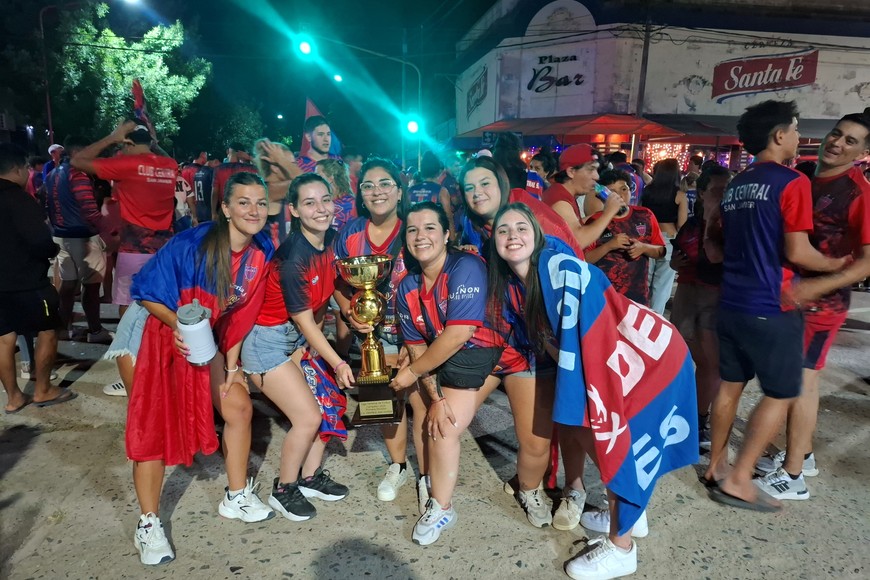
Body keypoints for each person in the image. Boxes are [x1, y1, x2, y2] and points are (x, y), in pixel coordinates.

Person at [490, 202, 697, 580]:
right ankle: (633, 513)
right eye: (503, 231)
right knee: (584, 431)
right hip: (624, 356)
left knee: (611, 436)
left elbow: (583, 283)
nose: (512, 235)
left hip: (648, 359)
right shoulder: (519, 284)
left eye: (522, 226)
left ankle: (621, 549)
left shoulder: (553, 266)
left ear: (537, 234)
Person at [124, 172, 276, 565]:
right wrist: (179, 326)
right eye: (243, 202)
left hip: (206, 336)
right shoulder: (193, 243)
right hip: (158, 327)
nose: (253, 210)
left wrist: (234, 365)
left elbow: (244, 312)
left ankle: (236, 496)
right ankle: (148, 523)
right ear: (225, 208)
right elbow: (145, 289)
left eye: (260, 203)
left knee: (238, 406)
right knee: (152, 426)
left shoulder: (262, 250)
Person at [704, 100, 847, 512]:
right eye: (796, 129)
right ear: (780, 135)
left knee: (730, 386)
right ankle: (740, 478)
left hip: (731, 302)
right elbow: (799, 252)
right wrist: (842, 263)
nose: (800, 138)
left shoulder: (736, 183)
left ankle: (716, 466)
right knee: (783, 391)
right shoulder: (791, 180)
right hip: (772, 303)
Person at [754, 110, 870, 500]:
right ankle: (800, 453)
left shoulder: (858, 192)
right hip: (789, 295)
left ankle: (793, 475)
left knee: (802, 382)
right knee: (790, 378)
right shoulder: (803, 176)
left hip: (823, 304)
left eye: (851, 141)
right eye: (836, 134)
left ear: (863, 152)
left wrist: (815, 287)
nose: (837, 143)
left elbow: (866, 262)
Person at [390, 202, 507, 545]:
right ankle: (442, 506)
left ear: (446, 234)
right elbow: (416, 348)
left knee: (534, 448)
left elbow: (459, 334)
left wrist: (412, 373)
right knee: (440, 424)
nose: (420, 236)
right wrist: (437, 398)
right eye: (412, 230)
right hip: (461, 364)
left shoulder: (465, 265)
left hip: (508, 353)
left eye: (430, 227)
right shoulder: (407, 287)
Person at [241, 173, 351, 522]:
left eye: (325, 200)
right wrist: (337, 362)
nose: (320, 209)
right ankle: (283, 489)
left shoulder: (331, 240)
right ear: (294, 210)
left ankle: (309, 477)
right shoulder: (292, 258)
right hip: (267, 342)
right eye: (309, 203)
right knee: (307, 417)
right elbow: (303, 319)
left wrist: (352, 312)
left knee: (331, 405)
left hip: (299, 338)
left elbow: (328, 291)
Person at [331, 158, 429, 509]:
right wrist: (349, 312)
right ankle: (398, 466)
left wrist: (416, 339)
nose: (377, 191)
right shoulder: (351, 232)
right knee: (384, 403)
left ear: (399, 190)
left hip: (415, 333)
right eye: (369, 185)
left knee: (420, 402)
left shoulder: (414, 229)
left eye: (385, 183)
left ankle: (427, 475)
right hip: (372, 336)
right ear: (360, 192)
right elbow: (336, 283)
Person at [71, 120, 177, 318]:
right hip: (165, 249)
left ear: (128, 143)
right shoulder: (170, 165)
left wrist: (112, 137)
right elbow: (158, 154)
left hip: (134, 249)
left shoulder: (125, 164)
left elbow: (77, 161)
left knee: (128, 304)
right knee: (162, 303)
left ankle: (128, 346)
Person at [0, 143, 74, 414]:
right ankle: (43, 389)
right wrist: (52, 250)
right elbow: (39, 241)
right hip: (28, 282)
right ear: (19, 169)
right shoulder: (20, 200)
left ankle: (14, 398)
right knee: (48, 330)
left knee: (4, 339)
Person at [669, 165, 731, 450]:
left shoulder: (728, 223)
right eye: (718, 189)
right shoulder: (694, 224)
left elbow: (718, 258)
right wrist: (674, 263)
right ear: (703, 191)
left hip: (714, 298)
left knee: (709, 363)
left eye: (727, 189)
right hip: (687, 294)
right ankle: (690, 415)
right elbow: (676, 256)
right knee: (691, 360)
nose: (725, 194)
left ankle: (699, 420)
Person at [43, 135, 113, 343]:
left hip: (60, 236)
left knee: (67, 285)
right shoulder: (78, 175)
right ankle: (95, 330)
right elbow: (90, 210)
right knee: (91, 286)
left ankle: (64, 328)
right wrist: (108, 230)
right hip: (83, 237)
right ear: (77, 154)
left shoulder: (52, 174)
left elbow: (46, 203)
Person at [458, 156, 585, 258]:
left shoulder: (534, 219)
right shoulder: (470, 221)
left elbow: (574, 269)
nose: (477, 193)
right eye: (469, 188)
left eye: (485, 183)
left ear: (501, 184)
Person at [584, 169, 666, 306]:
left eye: (623, 189)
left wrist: (643, 248)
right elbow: (584, 258)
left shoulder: (645, 215)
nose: (619, 195)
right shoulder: (595, 221)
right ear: (602, 195)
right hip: (604, 297)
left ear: (631, 190)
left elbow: (661, 251)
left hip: (637, 298)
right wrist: (608, 246)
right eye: (612, 192)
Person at [541, 144, 625, 251]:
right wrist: (608, 213)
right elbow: (578, 241)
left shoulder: (563, 194)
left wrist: (596, 216)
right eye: (591, 169)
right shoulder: (559, 200)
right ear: (571, 172)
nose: (597, 176)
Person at [640, 158, 689, 314]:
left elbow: (640, 214)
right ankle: (655, 320)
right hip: (668, 239)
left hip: (647, 238)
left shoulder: (647, 191)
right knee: (662, 287)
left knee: (644, 283)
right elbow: (682, 224)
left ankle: (640, 315)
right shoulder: (680, 195)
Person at [212, 142, 258, 220]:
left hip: (224, 211)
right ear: (241, 153)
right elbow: (263, 170)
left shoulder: (219, 169)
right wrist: (249, 157)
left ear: (228, 152)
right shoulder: (248, 168)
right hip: (243, 211)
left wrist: (213, 213)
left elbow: (214, 193)